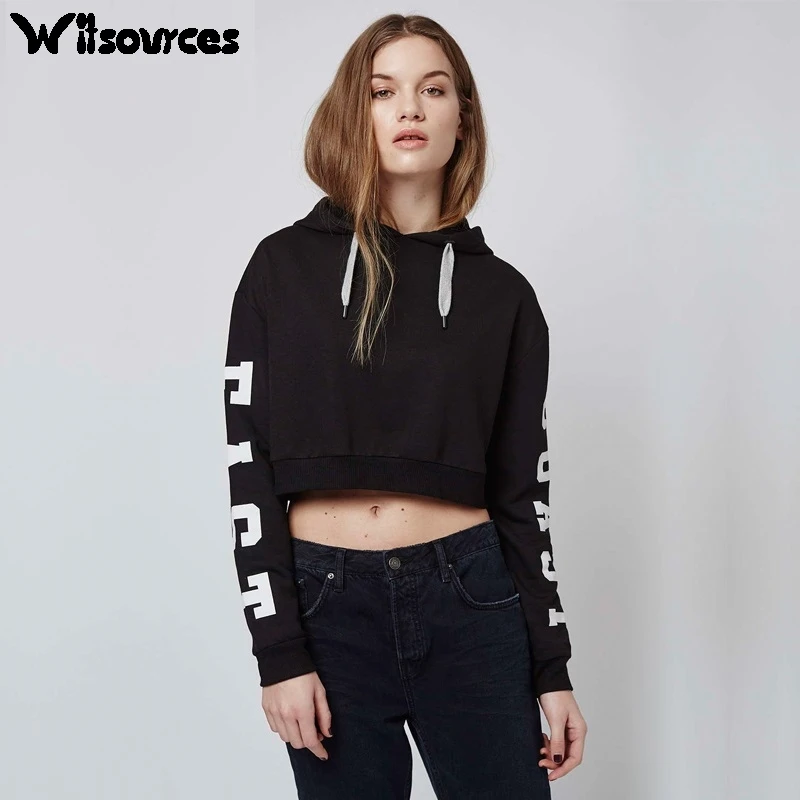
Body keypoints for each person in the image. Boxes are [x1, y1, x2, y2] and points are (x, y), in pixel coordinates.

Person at [223, 13, 587, 799]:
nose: (410, 108)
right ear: (354, 114)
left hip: (473, 602)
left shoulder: (505, 298)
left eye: (434, 89)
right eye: (383, 91)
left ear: (463, 118)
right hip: (327, 608)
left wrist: (551, 668)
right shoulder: (280, 269)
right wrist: (278, 652)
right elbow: (247, 467)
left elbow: (524, 498)